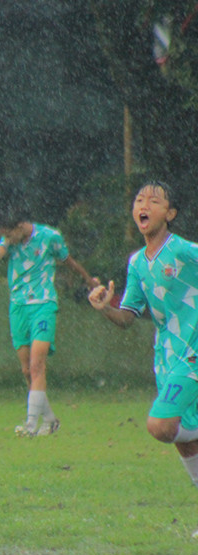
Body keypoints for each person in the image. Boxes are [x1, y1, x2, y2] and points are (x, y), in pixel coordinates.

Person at [89, 181, 198, 536]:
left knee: (160, 426)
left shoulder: (183, 250)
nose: (144, 204)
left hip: (193, 353)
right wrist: (106, 307)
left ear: (171, 214)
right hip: (166, 358)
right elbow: (127, 318)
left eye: (155, 199)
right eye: (139, 200)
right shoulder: (136, 263)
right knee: (184, 439)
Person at [0, 215, 99, 436]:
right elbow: (0, 252)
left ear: (21, 225)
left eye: (9, 234)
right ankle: (50, 419)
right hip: (18, 306)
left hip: (43, 304)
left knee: (37, 365)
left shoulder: (50, 236)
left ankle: (31, 424)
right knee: (27, 370)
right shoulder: (9, 240)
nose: (6, 239)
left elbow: (67, 260)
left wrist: (88, 279)